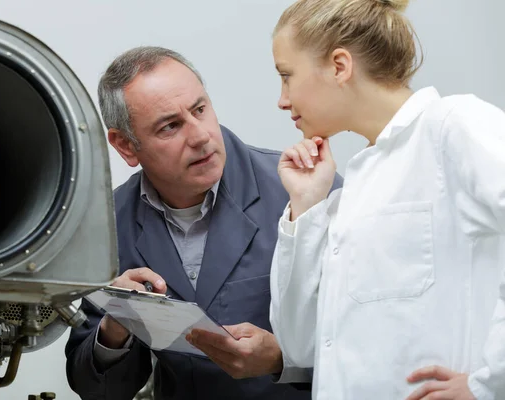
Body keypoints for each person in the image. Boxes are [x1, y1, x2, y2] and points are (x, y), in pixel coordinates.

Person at [64, 46, 343, 400]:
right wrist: (116, 325)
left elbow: (373, 348)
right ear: (125, 146)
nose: (200, 136)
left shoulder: (309, 191)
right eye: (170, 126)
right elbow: (96, 387)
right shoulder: (110, 223)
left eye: (199, 109)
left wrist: (281, 360)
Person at [269, 0, 505, 399]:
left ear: (340, 66)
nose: (282, 98)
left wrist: (489, 383)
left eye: (286, 76)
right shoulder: (351, 194)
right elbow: (299, 345)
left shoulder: (453, 125)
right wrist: (306, 207)